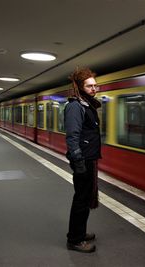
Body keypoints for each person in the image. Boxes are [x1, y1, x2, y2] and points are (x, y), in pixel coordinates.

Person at [64, 67, 101, 253]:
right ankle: (75, 240)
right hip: (83, 160)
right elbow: (72, 136)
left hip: (89, 158)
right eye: (89, 86)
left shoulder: (87, 104)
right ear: (79, 87)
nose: (94, 89)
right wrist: (78, 162)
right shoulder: (75, 106)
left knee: (85, 199)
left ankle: (80, 232)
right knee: (81, 200)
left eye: (95, 85)